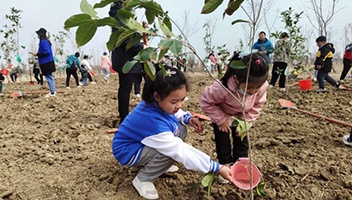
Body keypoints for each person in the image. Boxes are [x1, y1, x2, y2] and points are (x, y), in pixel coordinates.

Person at [112, 66, 232, 199]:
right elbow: (179, 150)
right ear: (157, 96)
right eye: (174, 101)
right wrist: (216, 167)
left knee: (181, 128)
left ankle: (157, 165)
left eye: (182, 99)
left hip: (139, 143)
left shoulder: (156, 103)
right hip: (128, 151)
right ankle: (143, 179)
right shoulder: (153, 123)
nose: (180, 105)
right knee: (171, 152)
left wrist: (188, 118)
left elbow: (173, 112)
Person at [200, 52, 269, 184]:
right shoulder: (222, 88)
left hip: (242, 117)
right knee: (223, 142)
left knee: (242, 142)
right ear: (237, 79)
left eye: (257, 89)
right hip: (221, 115)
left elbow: (258, 105)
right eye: (249, 89)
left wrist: (245, 122)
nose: (253, 92)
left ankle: (242, 167)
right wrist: (220, 120)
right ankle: (225, 166)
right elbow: (206, 101)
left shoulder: (260, 87)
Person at [109, 1, 145, 124]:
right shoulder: (120, 15)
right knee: (125, 88)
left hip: (127, 58)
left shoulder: (119, 14)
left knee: (126, 88)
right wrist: (141, 47)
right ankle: (124, 118)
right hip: (127, 58)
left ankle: (125, 116)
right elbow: (124, 38)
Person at [31, 28, 56, 97]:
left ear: (40, 35)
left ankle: (52, 92)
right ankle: (53, 91)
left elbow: (47, 52)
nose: (37, 36)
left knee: (48, 77)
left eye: (38, 34)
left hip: (46, 63)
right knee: (49, 77)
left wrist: (37, 54)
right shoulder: (45, 41)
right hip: (47, 62)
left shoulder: (43, 42)